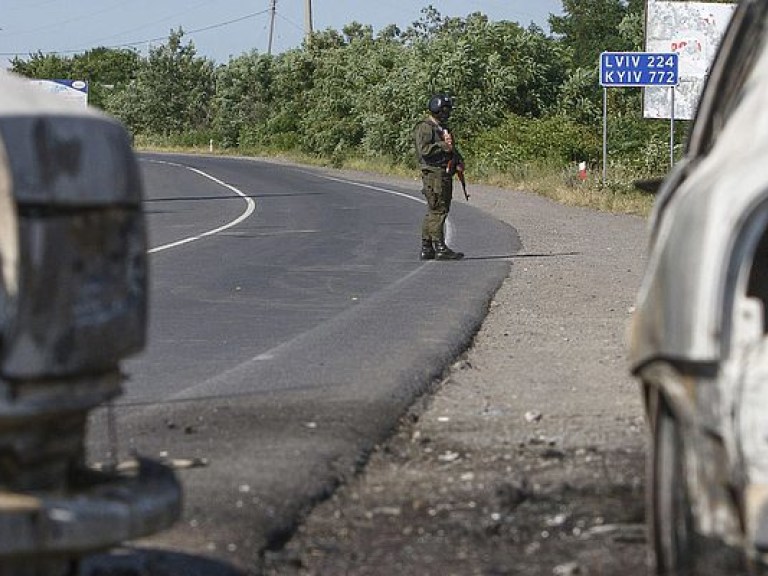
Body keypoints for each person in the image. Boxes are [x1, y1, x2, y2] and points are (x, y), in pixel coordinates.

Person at [413, 93, 465, 261]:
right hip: (433, 173)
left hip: (443, 172)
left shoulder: (442, 127)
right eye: (443, 109)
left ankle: (427, 247)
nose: (446, 113)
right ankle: (440, 247)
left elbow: (451, 148)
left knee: (433, 209)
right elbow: (425, 150)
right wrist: (444, 146)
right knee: (439, 209)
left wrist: (458, 160)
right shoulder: (425, 127)